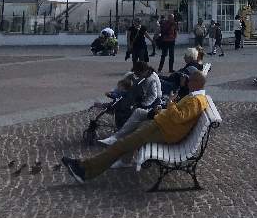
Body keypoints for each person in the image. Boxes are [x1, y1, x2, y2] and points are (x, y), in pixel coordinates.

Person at [62, 72, 209, 183]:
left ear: (196, 82)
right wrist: (162, 110)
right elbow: (178, 116)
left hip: (162, 131)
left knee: (120, 145)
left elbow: (179, 118)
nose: (187, 83)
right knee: (127, 138)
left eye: (190, 81)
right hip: (161, 126)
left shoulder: (196, 100)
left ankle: (84, 170)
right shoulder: (195, 98)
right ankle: (90, 166)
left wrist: (170, 103)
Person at [99, 61, 163, 144]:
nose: (137, 75)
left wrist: (142, 105)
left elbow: (153, 96)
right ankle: (120, 131)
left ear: (142, 71)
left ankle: (122, 132)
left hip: (153, 102)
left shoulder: (151, 79)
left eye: (138, 73)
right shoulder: (144, 75)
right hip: (144, 98)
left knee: (131, 109)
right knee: (124, 103)